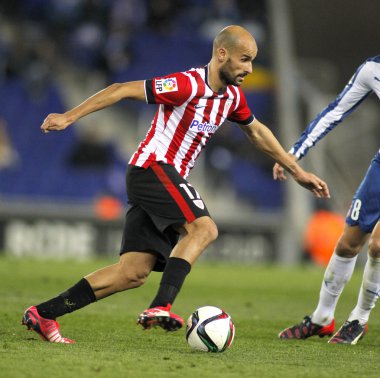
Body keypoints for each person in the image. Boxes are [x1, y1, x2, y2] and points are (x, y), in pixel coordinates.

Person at [21, 25, 329, 344]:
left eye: (252, 61)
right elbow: (120, 89)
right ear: (222, 54)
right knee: (204, 228)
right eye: (245, 59)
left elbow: (257, 131)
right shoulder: (187, 84)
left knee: (132, 272)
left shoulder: (233, 97)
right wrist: (69, 117)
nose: (249, 68)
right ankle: (160, 306)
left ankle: (44, 314)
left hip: (163, 176)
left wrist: (297, 170)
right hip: (153, 168)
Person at [275, 55, 380, 344]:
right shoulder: (372, 69)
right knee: (348, 243)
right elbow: (335, 111)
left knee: (378, 244)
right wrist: (294, 153)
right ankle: (322, 318)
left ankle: (359, 318)